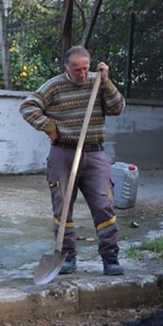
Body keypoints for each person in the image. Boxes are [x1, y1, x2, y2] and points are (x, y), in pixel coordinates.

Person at [20, 46, 126, 276]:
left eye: (86, 68)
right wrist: (50, 127)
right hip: (64, 153)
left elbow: (118, 107)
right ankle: (66, 256)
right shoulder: (54, 86)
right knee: (63, 205)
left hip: (95, 153)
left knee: (103, 204)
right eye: (77, 69)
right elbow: (28, 107)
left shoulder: (98, 82)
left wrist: (106, 82)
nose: (82, 74)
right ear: (66, 67)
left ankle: (110, 257)